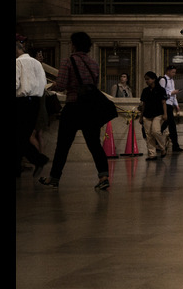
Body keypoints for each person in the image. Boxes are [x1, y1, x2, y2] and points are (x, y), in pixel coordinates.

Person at [39, 32, 112, 190]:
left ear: (74, 44)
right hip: (90, 109)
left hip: (73, 107)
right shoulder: (94, 63)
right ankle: (104, 176)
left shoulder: (68, 61)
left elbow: (61, 84)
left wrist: (50, 86)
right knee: (94, 144)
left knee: (63, 145)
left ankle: (54, 177)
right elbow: (94, 85)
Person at [17, 40, 49, 176]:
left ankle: (39, 159)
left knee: (20, 136)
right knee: (23, 135)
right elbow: (43, 83)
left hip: (21, 102)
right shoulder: (36, 63)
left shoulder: (17, 63)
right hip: (36, 102)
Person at [139, 71, 169, 160]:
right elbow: (143, 104)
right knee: (149, 135)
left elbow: (164, 103)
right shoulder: (145, 91)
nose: (146, 81)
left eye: (148, 79)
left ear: (153, 79)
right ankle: (152, 154)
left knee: (156, 131)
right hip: (147, 114)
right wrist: (141, 116)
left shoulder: (160, 90)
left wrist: (165, 114)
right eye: (145, 79)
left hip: (158, 114)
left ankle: (162, 147)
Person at [158, 65, 183, 152]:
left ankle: (173, 144)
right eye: (173, 72)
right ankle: (174, 145)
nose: (174, 74)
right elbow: (161, 93)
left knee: (169, 124)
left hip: (170, 104)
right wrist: (172, 92)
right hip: (165, 104)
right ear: (168, 71)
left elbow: (174, 95)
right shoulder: (163, 80)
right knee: (170, 124)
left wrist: (176, 105)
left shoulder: (172, 80)